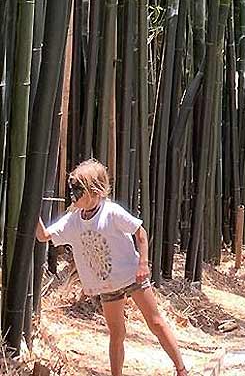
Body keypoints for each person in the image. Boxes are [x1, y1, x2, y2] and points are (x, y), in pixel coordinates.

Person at [36, 159, 188, 376]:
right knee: (117, 333)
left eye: (78, 189)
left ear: (94, 190)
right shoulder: (72, 220)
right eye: (72, 189)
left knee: (156, 323)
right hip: (107, 284)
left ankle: (181, 370)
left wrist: (143, 264)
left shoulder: (111, 212)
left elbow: (140, 232)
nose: (73, 194)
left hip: (132, 275)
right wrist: (31, 208)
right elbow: (44, 236)